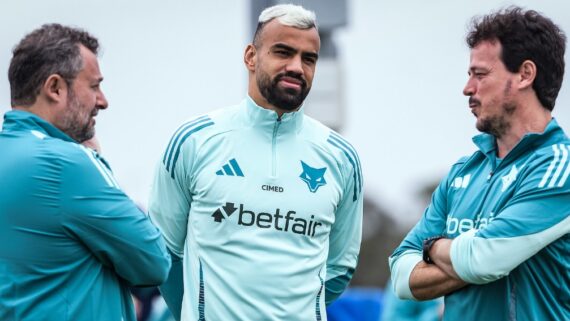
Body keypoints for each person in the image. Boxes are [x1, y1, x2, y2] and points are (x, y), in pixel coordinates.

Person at [149, 4, 363, 320]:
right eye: (283, 52)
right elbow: (164, 254)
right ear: (251, 56)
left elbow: (339, 269)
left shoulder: (342, 158)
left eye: (309, 58)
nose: (297, 67)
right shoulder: (194, 141)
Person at [389, 6, 569, 321]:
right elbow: (401, 276)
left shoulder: (560, 167)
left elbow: (483, 260)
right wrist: (476, 258)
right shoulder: (463, 172)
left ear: (525, 74)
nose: (467, 88)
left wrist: (432, 249)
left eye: (480, 74)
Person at [0, 24, 171, 321]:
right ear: (55, 88)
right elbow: (154, 262)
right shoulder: (68, 163)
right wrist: (96, 161)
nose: (103, 100)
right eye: (94, 86)